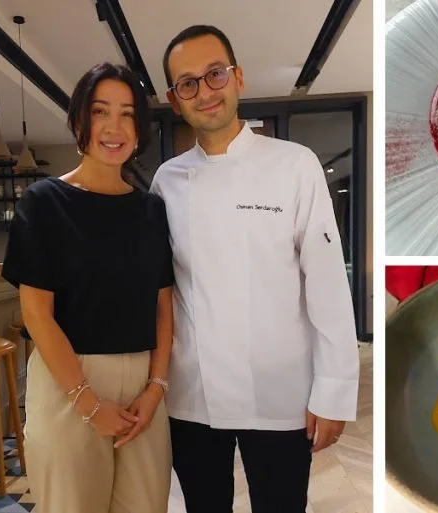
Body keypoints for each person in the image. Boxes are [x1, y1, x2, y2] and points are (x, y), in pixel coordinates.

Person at [151, 25, 360, 512]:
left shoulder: (295, 165)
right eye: (188, 83)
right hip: (192, 394)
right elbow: (160, 288)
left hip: (281, 392)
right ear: (174, 98)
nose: (204, 91)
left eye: (214, 74)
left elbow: (326, 284)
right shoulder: (167, 180)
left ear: (237, 78)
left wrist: (334, 390)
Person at [1, 63, 174, 513]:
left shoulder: (152, 210)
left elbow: (163, 308)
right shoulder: (43, 202)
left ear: (139, 127)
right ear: (80, 121)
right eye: (100, 112)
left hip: (143, 390)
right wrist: (90, 404)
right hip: (68, 384)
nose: (114, 128)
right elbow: (37, 315)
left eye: (127, 114)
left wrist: (156, 387)